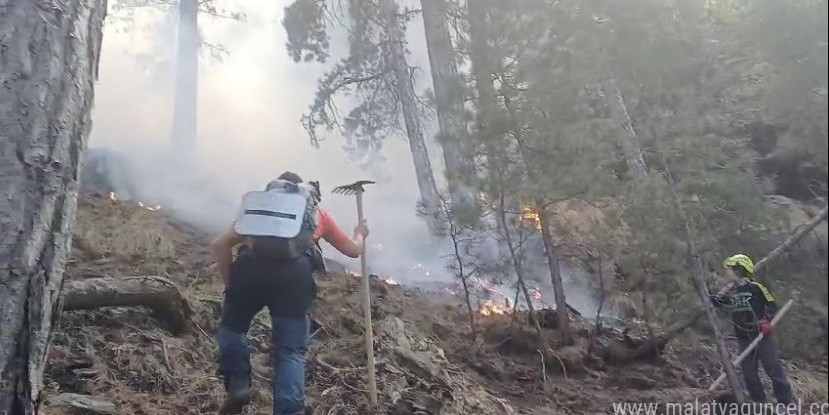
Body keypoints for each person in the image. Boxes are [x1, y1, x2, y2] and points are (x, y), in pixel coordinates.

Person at [210, 171, 368, 415]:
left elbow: (219, 244)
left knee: (232, 329)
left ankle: (238, 384)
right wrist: (360, 233)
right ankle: (289, 411)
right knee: (290, 351)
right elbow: (353, 250)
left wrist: (230, 286)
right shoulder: (316, 214)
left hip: (249, 272)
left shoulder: (259, 211)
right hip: (293, 280)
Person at [710, 254, 794, 405]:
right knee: (749, 373)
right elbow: (726, 304)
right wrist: (716, 301)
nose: (726, 272)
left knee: (772, 368)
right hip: (743, 337)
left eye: (729, 270)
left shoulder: (756, 287)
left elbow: (772, 305)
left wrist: (767, 320)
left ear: (739, 270)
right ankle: (758, 402)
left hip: (761, 336)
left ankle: (786, 402)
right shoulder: (731, 291)